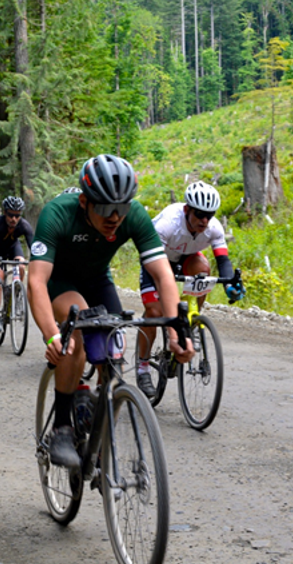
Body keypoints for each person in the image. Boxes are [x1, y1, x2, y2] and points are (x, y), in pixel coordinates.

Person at [27, 154, 194, 469]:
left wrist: (175, 330)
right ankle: (61, 428)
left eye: (122, 207)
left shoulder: (134, 216)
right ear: (84, 202)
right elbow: (36, 281)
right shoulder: (57, 214)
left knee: (114, 351)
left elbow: (163, 276)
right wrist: (51, 336)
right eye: (104, 208)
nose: (115, 217)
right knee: (77, 334)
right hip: (60, 282)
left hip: (97, 280)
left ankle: (102, 435)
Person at [135, 180, 244, 397]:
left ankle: (191, 320)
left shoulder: (213, 228)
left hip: (185, 258)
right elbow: (157, 267)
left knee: (203, 267)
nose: (204, 220)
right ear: (187, 210)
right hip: (156, 259)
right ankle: (142, 366)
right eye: (200, 215)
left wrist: (230, 283)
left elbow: (223, 261)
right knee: (155, 312)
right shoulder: (167, 225)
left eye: (209, 215)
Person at [0, 195, 34, 334]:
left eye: (17, 216)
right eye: (10, 215)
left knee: (20, 265)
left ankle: (14, 292)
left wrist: (38, 261)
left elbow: (34, 246)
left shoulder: (24, 225)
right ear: (4, 213)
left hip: (13, 248)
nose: (14, 219)